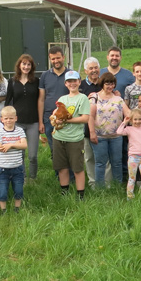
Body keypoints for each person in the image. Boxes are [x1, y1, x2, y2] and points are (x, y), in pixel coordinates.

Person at [53, 70, 90, 200]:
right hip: (59, 137)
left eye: (75, 81)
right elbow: (54, 114)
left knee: (77, 168)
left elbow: (85, 118)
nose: (72, 83)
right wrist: (55, 119)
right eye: (69, 81)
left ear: (79, 82)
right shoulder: (62, 99)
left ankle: (80, 195)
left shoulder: (83, 98)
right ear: (65, 84)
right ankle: (65, 192)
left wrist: (66, 120)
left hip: (75, 139)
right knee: (62, 167)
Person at [89, 72, 130, 188]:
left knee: (117, 162)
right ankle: (99, 188)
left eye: (112, 84)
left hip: (116, 136)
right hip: (99, 136)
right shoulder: (94, 97)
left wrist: (139, 115)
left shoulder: (118, 99)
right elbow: (90, 116)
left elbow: (127, 113)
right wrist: (92, 133)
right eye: (107, 83)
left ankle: (117, 186)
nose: (110, 86)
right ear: (102, 83)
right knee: (100, 163)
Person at [4, 54, 40, 181]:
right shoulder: (12, 82)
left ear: (32, 66)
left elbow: (40, 101)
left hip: (33, 122)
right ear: (19, 65)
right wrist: (6, 121)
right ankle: (22, 177)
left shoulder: (36, 81)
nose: (26, 66)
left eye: (28, 64)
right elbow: (8, 102)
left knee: (33, 155)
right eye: (24, 64)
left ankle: (33, 178)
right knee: (20, 153)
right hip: (17, 123)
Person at [38, 45, 71, 153]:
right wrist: (41, 121)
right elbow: (41, 99)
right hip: (49, 119)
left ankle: (69, 170)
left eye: (58, 58)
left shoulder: (70, 74)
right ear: (50, 59)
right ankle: (58, 170)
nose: (56, 61)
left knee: (68, 150)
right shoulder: (45, 76)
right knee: (54, 151)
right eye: (53, 59)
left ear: (63, 57)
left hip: (67, 118)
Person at [0, 106, 28, 214]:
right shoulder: (0, 132)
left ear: (16, 118)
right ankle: (3, 210)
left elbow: (24, 145)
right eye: (6, 118)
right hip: (3, 168)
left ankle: (17, 209)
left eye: (11, 118)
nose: (8, 120)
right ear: (2, 119)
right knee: (2, 191)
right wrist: (16, 144)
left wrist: (10, 145)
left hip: (17, 167)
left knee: (18, 190)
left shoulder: (20, 130)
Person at [79, 57, 102, 188]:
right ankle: (93, 182)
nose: (94, 71)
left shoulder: (104, 83)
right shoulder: (81, 86)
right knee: (89, 157)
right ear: (85, 71)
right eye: (91, 68)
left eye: (95, 68)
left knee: (104, 157)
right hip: (87, 128)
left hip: (104, 127)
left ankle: (105, 182)